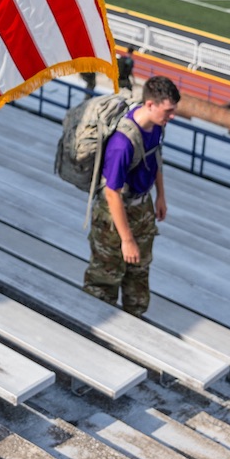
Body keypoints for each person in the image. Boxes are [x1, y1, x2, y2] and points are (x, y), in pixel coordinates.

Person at [83, 75, 178, 317]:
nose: (171, 117)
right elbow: (111, 193)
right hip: (113, 218)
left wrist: (160, 196)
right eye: (168, 111)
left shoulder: (156, 126)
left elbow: (155, 157)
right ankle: (94, 327)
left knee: (139, 273)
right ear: (150, 105)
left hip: (141, 206)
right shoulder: (122, 143)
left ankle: (134, 323)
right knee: (105, 278)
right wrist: (126, 239)